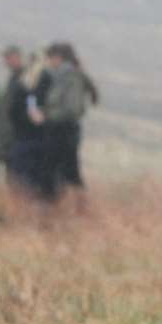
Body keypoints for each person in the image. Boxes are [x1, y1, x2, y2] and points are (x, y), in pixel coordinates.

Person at [32, 42, 98, 207]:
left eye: (50, 58)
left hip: (65, 130)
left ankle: (79, 207)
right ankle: (53, 206)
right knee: (51, 168)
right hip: (57, 129)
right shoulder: (59, 76)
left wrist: (47, 116)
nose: (48, 62)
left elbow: (72, 109)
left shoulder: (72, 77)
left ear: (58, 58)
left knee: (69, 170)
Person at [0, 45, 50, 197]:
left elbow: (30, 101)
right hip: (21, 137)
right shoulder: (23, 80)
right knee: (18, 180)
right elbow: (28, 101)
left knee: (27, 181)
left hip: (29, 139)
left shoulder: (34, 81)